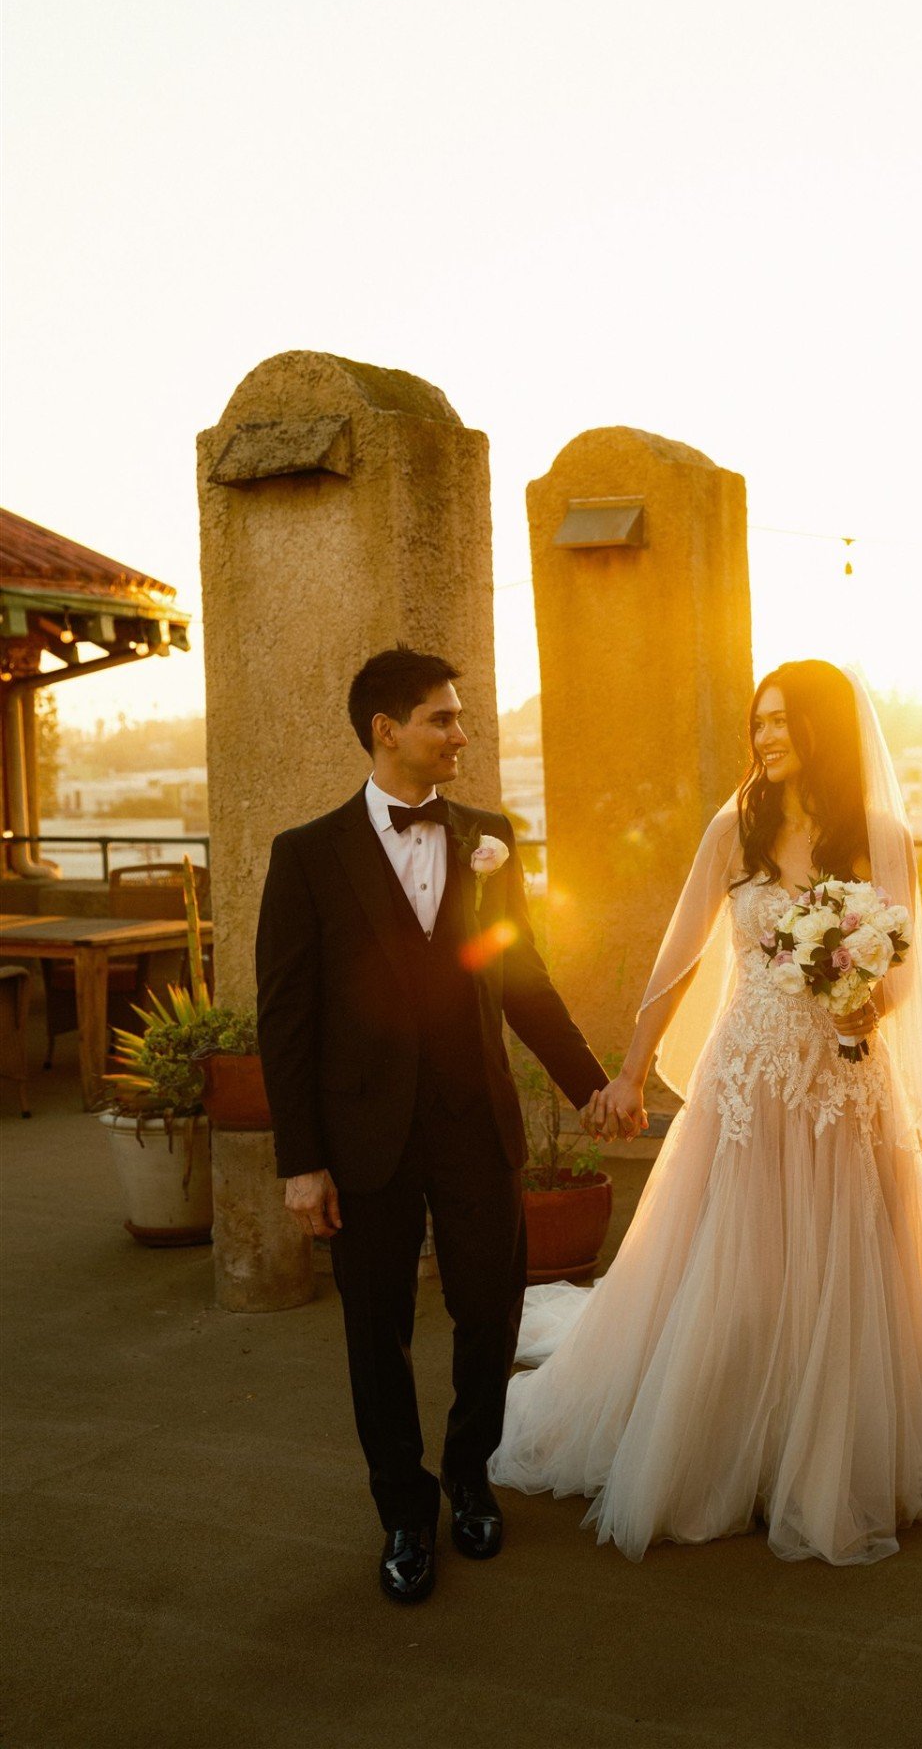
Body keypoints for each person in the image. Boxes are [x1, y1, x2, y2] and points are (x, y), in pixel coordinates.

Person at [491, 659, 922, 1565]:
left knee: (844, 1249)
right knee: (735, 1251)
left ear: (826, 730)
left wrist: (866, 1006)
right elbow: (678, 958)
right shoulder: (736, 826)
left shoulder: (879, 832)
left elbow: (902, 967)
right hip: (746, 1077)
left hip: (842, 1080)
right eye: (759, 723)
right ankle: (722, 1424)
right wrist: (630, 1074)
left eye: (786, 722)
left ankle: (823, 1436)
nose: (766, 739)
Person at [255, 647, 614, 1603]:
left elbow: (522, 977)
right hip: (362, 1142)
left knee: (487, 1314)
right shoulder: (305, 856)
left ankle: (469, 1476)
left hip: (472, 1125)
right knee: (375, 1332)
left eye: (460, 719)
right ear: (388, 731)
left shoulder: (490, 838)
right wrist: (303, 1163)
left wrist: (592, 1085)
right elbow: (285, 1021)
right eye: (443, 719)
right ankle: (404, 1513)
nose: (462, 734)